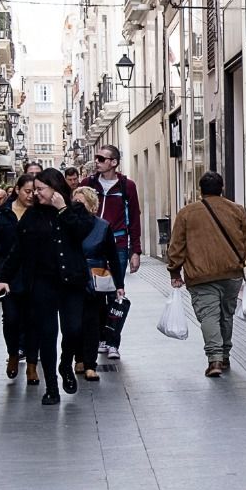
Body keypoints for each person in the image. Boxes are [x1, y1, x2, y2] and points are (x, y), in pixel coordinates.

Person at [0, 168, 94, 406]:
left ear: (55, 189)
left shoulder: (76, 210)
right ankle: (51, 386)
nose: (35, 194)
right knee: (46, 334)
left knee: (73, 329)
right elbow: (17, 250)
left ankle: (65, 364)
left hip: (71, 282)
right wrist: (3, 277)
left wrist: (62, 209)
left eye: (40, 189)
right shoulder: (31, 216)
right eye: (34, 189)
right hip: (42, 283)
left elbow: (82, 232)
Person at [167, 171, 246, 377]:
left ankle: (215, 359)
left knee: (209, 315)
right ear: (222, 188)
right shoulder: (237, 210)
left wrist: (174, 271)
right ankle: (225, 355)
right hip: (231, 273)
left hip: (201, 276)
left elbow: (177, 246)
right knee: (226, 315)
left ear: (200, 190)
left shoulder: (186, 213)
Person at [83, 144, 142, 362]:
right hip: (94, 245)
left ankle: (113, 341)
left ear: (113, 162)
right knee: (97, 293)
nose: (96, 161)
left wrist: (136, 250)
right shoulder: (88, 184)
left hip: (117, 245)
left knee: (116, 293)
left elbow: (134, 218)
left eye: (101, 158)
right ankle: (101, 337)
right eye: (96, 157)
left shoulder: (127, 186)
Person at [0, 172, 36, 381]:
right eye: (27, 191)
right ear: (17, 190)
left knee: (33, 320)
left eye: (34, 191)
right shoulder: (2, 214)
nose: (31, 195)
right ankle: (13, 353)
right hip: (8, 275)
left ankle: (32, 364)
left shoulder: (39, 213)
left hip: (35, 273)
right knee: (11, 318)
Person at [71, 186, 125, 382]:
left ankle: (90, 364)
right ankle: (78, 357)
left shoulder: (102, 226)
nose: (77, 206)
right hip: (72, 279)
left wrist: (119, 284)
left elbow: (112, 256)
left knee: (92, 323)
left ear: (92, 205)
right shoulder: (67, 224)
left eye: (81, 202)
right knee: (74, 324)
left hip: (94, 280)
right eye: (74, 202)